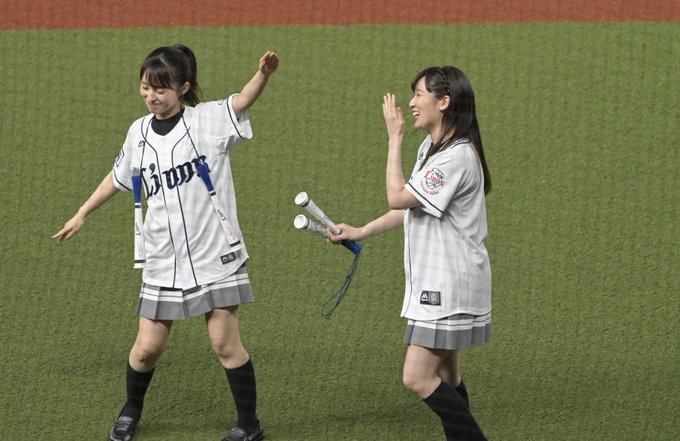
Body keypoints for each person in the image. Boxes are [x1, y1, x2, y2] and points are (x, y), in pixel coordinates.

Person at [53, 44, 279, 441]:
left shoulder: (207, 120)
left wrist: (263, 74)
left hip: (215, 253)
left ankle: (249, 424)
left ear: (183, 88)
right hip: (163, 257)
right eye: (145, 87)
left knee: (225, 344)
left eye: (160, 89)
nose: (151, 96)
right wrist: (83, 211)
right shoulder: (138, 132)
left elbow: (242, 101)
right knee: (146, 349)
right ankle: (130, 410)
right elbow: (117, 176)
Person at [330, 66, 492, 440]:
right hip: (447, 282)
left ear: (444, 102)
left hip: (448, 286)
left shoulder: (455, 157)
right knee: (447, 376)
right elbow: (410, 207)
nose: (412, 103)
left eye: (419, 94)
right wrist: (361, 231)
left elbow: (397, 197)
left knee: (417, 377)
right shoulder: (432, 149)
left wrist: (394, 139)